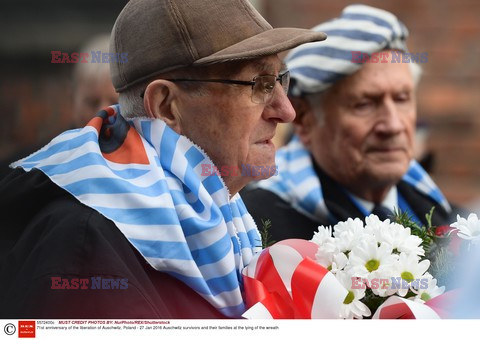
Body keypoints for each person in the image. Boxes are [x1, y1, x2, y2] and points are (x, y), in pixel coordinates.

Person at [0, 0, 326, 318]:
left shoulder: (217, 211)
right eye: (260, 85)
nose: (286, 111)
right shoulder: (84, 246)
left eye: (280, 80)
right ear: (168, 106)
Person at [242, 4, 462, 242]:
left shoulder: (453, 222)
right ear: (305, 120)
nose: (393, 125)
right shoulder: (260, 233)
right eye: (364, 104)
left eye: (402, 99)